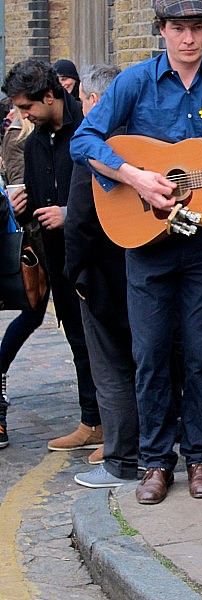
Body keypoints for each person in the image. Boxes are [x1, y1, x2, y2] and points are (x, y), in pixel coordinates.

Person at [70, 0, 202, 505]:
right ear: (162, 30)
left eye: (197, 28)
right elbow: (85, 140)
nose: (188, 38)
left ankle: (200, 457)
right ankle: (153, 462)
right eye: (177, 28)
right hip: (146, 243)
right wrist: (136, 177)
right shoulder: (134, 82)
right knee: (149, 354)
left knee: (201, 354)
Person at [1, 59, 103, 454]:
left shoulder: (88, 131)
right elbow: (36, 207)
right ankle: (91, 421)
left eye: (27, 107)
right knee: (78, 342)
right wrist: (22, 207)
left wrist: (68, 213)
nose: (22, 115)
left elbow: (106, 196)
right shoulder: (35, 143)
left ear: (50, 95)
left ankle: (117, 427)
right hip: (58, 258)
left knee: (106, 344)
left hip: (95, 256)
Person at [65, 63, 141, 488]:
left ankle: (121, 456)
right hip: (143, 265)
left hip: (100, 272)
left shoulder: (93, 145)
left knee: (111, 366)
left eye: (85, 100)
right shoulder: (145, 140)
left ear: (97, 100)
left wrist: (74, 272)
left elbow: (79, 217)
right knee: (147, 359)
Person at [0, 107, 48, 450]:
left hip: (36, 240)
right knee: (33, 310)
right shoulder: (17, 139)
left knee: (33, 311)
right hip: (31, 236)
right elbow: (16, 199)